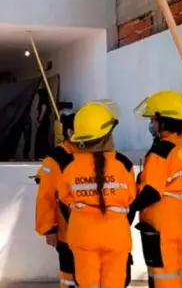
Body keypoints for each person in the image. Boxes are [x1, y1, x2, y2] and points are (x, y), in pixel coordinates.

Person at [56, 100, 137, 288]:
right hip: (116, 231)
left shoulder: (69, 165)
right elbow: (131, 198)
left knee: (87, 284)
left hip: (82, 231)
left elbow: (63, 199)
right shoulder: (123, 164)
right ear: (107, 135)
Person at [129, 90, 182, 288]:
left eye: (153, 120)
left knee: (163, 271)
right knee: (181, 268)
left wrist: (131, 207)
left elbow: (152, 191)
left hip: (163, 218)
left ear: (164, 122)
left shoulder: (162, 151)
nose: (151, 124)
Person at [34, 107, 76, 288]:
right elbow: (46, 196)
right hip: (67, 232)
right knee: (69, 274)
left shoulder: (92, 155)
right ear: (70, 132)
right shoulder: (57, 159)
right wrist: (49, 228)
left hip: (92, 232)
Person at [34, 88, 52, 160]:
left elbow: (42, 114)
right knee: (44, 138)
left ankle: (41, 155)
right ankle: (44, 154)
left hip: (43, 123)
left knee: (41, 138)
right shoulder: (47, 102)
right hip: (46, 122)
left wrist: (39, 120)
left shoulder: (43, 103)